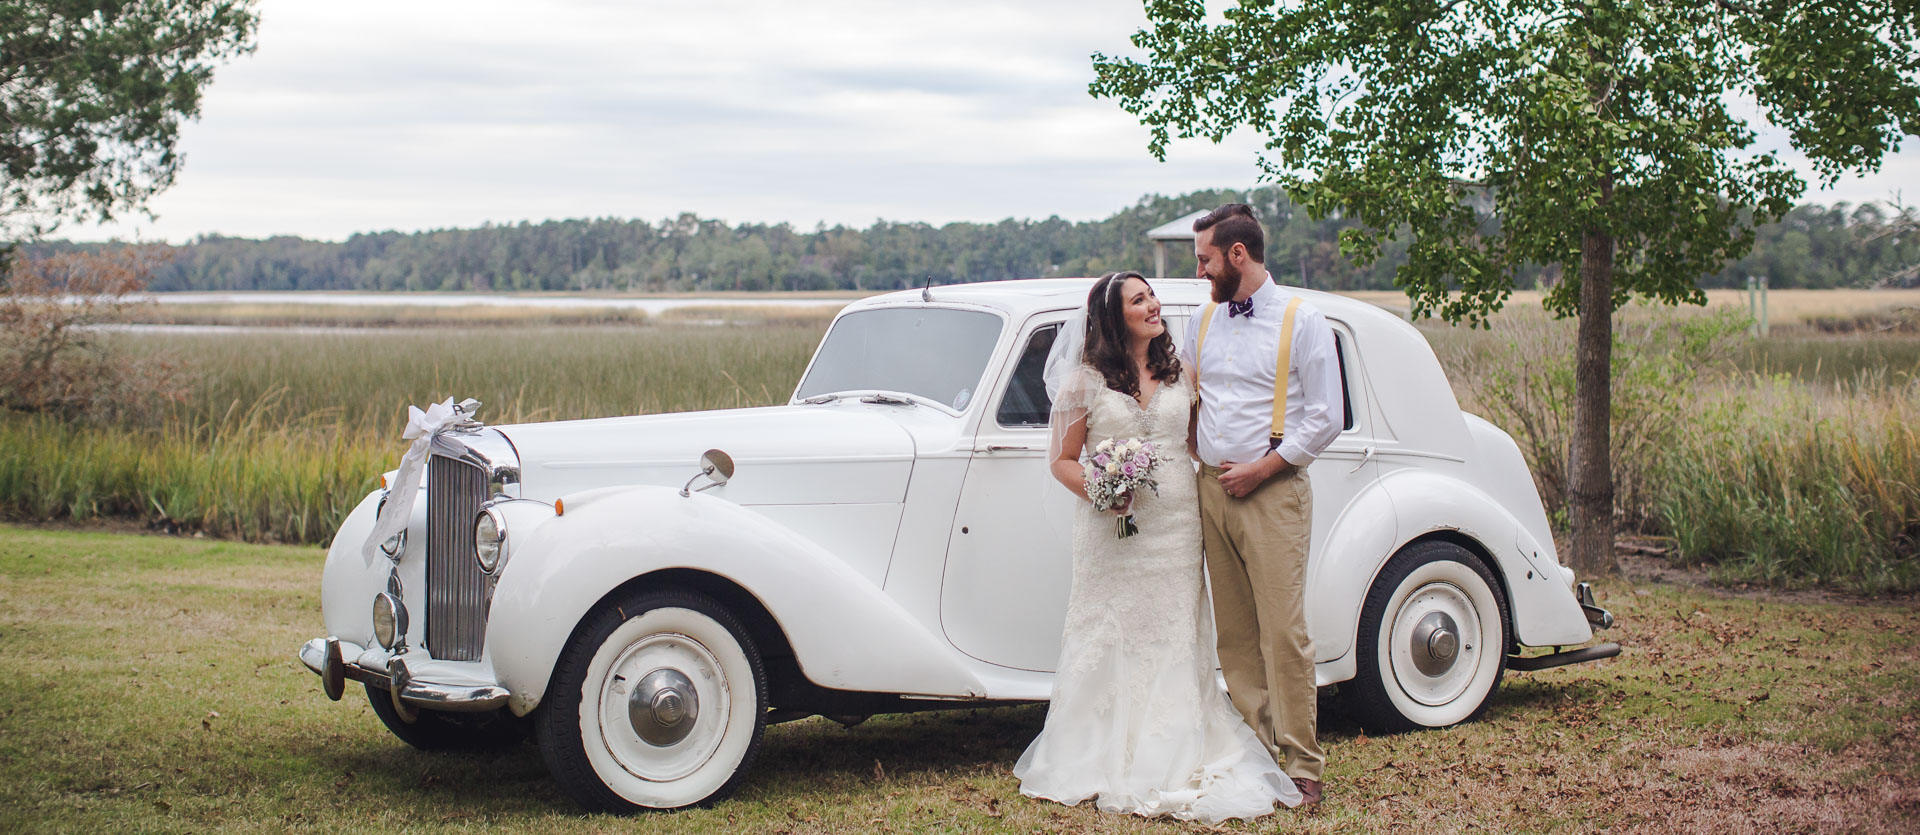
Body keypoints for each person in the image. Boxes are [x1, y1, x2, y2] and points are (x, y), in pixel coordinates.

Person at [1014, 271, 1301, 823]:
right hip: (1111, 532)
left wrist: (1259, 464)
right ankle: (1098, 748)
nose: (1153, 305)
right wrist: (1102, 489)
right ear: (1112, 317)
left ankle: (1178, 738)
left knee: (1175, 626)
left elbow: (1196, 442)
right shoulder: (1083, 381)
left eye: (1151, 296)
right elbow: (1061, 460)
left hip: (1175, 524)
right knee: (1110, 625)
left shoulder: (1180, 370)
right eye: (1138, 300)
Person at [1181, 204, 1343, 807]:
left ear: (1237, 255)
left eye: (1204, 259)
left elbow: (1328, 416)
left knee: (1283, 633)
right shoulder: (1202, 321)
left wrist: (1264, 468)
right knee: (1236, 635)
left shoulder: (1303, 319)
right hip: (1209, 490)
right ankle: (1257, 750)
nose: (1200, 271)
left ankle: (1303, 764)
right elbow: (1186, 396)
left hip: (1273, 492)